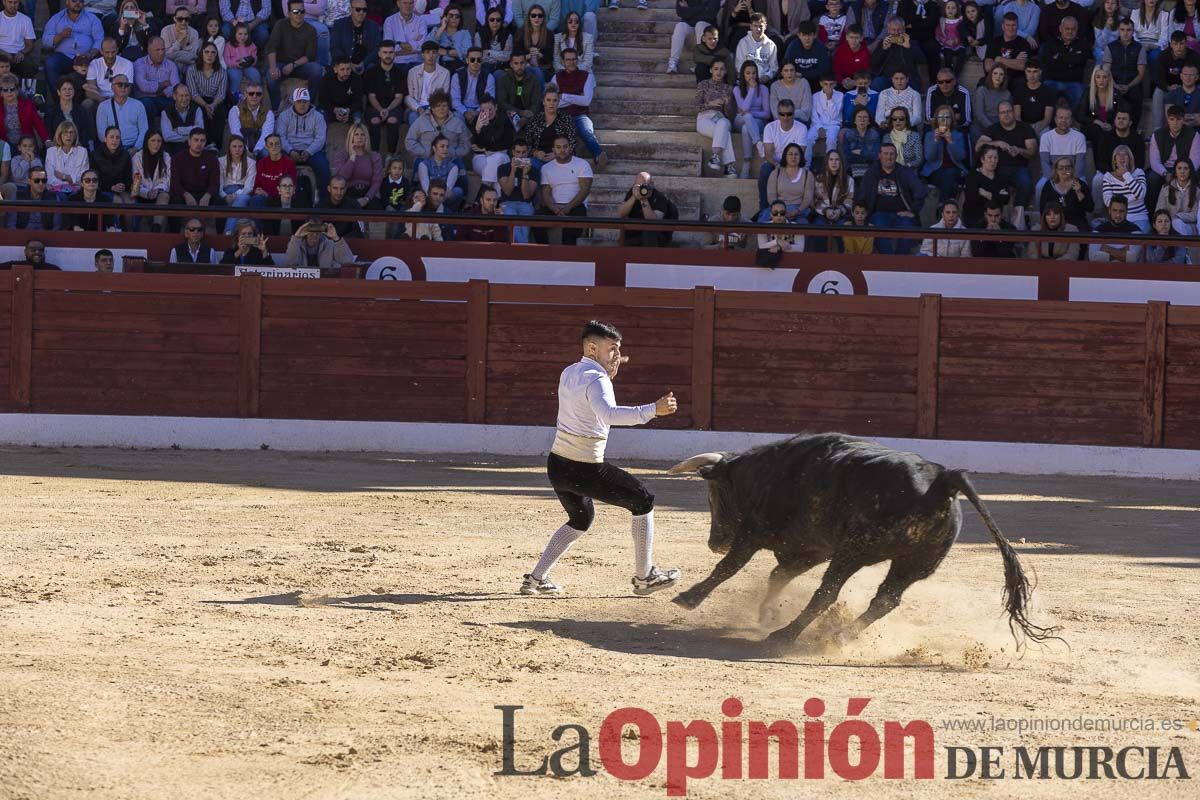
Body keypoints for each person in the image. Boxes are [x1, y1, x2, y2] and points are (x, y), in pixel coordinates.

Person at [520, 319, 680, 597]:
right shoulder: (597, 379)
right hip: (586, 468)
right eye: (612, 349)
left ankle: (535, 579)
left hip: (558, 465)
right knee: (642, 501)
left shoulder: (569, 372)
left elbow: (588, 406)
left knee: (581, 518)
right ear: (592, 348)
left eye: (619, 349)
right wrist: (653, 409)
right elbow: (609, 414)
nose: (617, 355)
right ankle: (645, 577)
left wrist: (606, 376)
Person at [852, 141, 928, 254]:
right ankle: (888, 261)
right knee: (878, 227)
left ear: (896, 156)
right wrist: (859, 214)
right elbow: (862, 194)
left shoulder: (904, 172)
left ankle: (898, 262)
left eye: (892, 154)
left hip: (902, 214)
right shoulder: (872, 172)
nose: (889, 157)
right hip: (879, 213)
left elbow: (920, 191)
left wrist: (913, 211)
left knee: (908, 228)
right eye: (886, 153)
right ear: (879, 156)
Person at [533, 133, 590, 244]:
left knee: (570, 232)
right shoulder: (546, 168)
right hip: (555, 206)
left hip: (576, 206)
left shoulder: (582, 164)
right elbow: (546, 193)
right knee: (535, 221)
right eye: (558, 147)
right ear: (553, 149)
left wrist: (568, 207)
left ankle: (568, 257)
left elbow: (585, 190)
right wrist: (554, 208)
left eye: (565, 146)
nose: (562, 150)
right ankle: (545, 253)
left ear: (570, 147)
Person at [266, 0, 323, 109]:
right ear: (289, 13)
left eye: (302, 11)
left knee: (317, 70)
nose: (299, 14)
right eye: (295, 11)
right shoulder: (280, 24)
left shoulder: (310, 30)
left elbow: (310, 56)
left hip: (299, 66)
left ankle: (308, 105)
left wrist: (293, 65)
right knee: (270, 77)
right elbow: (271, 47)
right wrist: (273, 67)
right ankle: (276, 109)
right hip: (280, 63)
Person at [554, 47, 604, 168]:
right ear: (563, 61)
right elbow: (554, 103)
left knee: (587, 131)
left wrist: (564, 96)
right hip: (562, 115)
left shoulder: (587, 76)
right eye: (568, 60)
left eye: (573, 59)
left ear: (578, 60)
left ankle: (600, 156)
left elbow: (586, 101)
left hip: (580, 114)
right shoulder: (556, 78)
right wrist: (577, 95)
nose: (571, 62)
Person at [276, 86, 329, 201]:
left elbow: (320, 138)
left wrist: (309, 152)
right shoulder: (284, 116)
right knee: (279, 164)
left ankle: (322, 200)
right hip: (289, 150)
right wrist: (290, 151)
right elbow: (280, 137)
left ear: (309, 102)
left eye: (305, 101)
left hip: (311, 151)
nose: (302, 104)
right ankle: (280, 197)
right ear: (293, 102)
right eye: (299, 101)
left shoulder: (318, 117)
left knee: (323, 166)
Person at [42, 0, 106, 92]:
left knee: (96, 64)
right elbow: (45, 41)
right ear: (67, 2)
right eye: (74, 1)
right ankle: (58, 99)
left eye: (81, 1)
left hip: (86, 57)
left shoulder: (92, 18)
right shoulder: (57, 18)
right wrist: (61, 36)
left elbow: (100, 39)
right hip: (64, 57)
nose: (78, 3)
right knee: (50, 63)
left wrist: (90, 54)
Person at [757, 98, 808, 209]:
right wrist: (778, 165)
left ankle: (800, 209)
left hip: (794, 163)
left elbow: (800, 153)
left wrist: (787, 167)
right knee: (765, 169)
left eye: (789, 114)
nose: (785, 117)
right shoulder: (770, 127)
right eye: (782, 114)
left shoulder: (802, 128)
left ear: (794, 114)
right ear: (777, 114)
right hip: (775, 163)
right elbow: (768, 153)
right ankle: (764, 208)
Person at [169, 127, 221, 225]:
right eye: (196, 140)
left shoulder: (212, 159)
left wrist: (208, 195)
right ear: (189, 141)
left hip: (204, 193)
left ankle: (222, 235)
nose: (199, 143)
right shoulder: (177, 158)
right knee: (174, 202)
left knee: (220, 202)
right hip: (184, 193)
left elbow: (215, 183)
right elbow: (174, 183)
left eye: (202, 141)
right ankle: (173, 234)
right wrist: (186, 194)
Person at [695, 58, 737, 177]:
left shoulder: (728, 88)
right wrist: (710, 104)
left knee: (723, 123)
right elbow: (696, 107)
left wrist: (728, 103)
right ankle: (729, 167)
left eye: (722, 69)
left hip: (721, 118)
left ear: (725, 72)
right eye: (716, 69)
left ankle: (715, 156)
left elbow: (729, 114)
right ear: (711, 70)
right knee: (725, 134)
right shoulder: (703, 85)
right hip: (704, 118)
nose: (719, 72)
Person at [922, 104, 969, 205]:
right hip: (935, 169)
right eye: (941, 117)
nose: (944, 120)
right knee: (946, 177)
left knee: (950, 175)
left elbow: (961, 156)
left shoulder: (958, 135)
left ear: (952, 119)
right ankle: (948, 206)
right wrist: (935, 140)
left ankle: (943, 206)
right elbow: (929, 157)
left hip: (955, 168)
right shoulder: (929, 135)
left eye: (947, 117)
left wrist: (951, 141)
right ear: (936, 120)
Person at [616, 172, 679, 247]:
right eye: (638, 185)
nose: (641, 189)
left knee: (649, 231)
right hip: (634, 234)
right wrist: (634, 197)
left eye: (644, 185)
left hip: (655, 237)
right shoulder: (632, 193)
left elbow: (652, 221)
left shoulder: (659, 198)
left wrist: (643, 199)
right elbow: (621, 214)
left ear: (652, 184)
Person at [364, 40, 404, 153]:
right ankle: (375, 154)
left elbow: (399, 97)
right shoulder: (371, 72)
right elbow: (371, 96)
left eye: (391, 52)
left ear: (394, 54)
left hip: (394, 106)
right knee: (375, 120)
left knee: (392, 120)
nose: (388, 55)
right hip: (374, 106)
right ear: (379, 54)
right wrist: (381, 109)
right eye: (385, 52)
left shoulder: (400, 72)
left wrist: (388, 109)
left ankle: (391, 155)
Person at [1040, 15, 1088, 109]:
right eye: (1067, 28)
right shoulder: (1050, 43)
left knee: (1080, 95)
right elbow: (1048, 64)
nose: (1070, 31)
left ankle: (1074, 121)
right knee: (1044, 93)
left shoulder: (1083, 44)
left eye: (1073, 29)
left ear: (1077, 29)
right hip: (1052, 80)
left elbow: (1080, 60)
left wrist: (1058, 57)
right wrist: (1070, 62)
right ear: (1060, 28)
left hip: (1073, 82)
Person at [732, 60, 769, 179]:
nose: (751, 76)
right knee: (746, 117)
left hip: (757, 121)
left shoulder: (763, 89)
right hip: (740, 119)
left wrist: (751, 113)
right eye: (748, 73)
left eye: (754, 73)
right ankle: (758, 142)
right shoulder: (737, 89)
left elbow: (767, 113)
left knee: (746, 129)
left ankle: (746, 164)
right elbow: (744, 108)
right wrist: (752, 90)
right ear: (743, 74)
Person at [497, 138, 538, 242]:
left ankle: (521, 249)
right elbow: (507, 191)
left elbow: (527, 195)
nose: (521, 155)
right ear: (513, 152)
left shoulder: (534, 171)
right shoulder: (503, 168)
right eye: (518, 152)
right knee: (513, 222)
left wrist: (525, 174)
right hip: (507, 203)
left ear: (527, 152)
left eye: (524, 152)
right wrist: (513, 171)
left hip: (526, 203)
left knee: (523, 225)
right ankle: (524, 248)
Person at [1101, 143, 1150, 231]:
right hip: (1117, 218)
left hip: (1139, 217)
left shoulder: (1139, 173)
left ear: (1130, 159)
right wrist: (1132, 198)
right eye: (1118, 154)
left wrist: (1126, 174)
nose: (1121, 157)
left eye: (1125, 155)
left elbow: (1140, 194)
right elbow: (1108, 201)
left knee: (1140, 238)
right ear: (1114, 159)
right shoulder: (1108, 177)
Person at [1039, 155, 1094, 231]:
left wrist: (1079, 193)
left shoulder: (1081, 184)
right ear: (1056, 170)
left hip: (1076, 222)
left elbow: (1090, 208)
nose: (1064, 171)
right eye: (1061, 168)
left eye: (1067, 168)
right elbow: (1043, 209)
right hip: (1055, 223)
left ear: (1072, 170)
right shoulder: (1048, 186)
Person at [94, 74, 148, 151]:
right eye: (120, 84)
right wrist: (114, 147)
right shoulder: (103, 107)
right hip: (112, 149)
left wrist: (135, 148)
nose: (123, 87)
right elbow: (101, 134)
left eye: (126, 85)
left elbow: (144, 131)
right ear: (112, 87)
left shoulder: (138, 105)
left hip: (134, 148)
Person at [761, 142, 813, 222]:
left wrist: (797, 211)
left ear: (801, 157)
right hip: (778, 209)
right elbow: (771, 196)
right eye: (790, 154)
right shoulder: (776, 173)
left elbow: (807, 199)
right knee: (762, 222)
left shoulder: (807, 175)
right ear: (785, 156)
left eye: (796, 154)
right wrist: (780, 211)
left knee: (803, 224)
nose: (793, 157)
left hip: (799, 211)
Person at [470, 95, 514, 186]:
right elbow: (475, 147)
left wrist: (487, 149)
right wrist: (478, 130)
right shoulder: (476, 121)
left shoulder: (505, 120)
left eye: (490, 109)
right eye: (483, 110)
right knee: (496, 171)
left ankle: (484, 190)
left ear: (496, 107)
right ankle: (496, 197)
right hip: (481, 157)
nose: (487, 113)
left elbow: (507, 143)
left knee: (497, 158)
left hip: (502, 155)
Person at [216, 132, 255, 231]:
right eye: (234, 146)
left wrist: (236, 195)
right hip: (225, 190)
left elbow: (249, 187)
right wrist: (224, 195)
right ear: (229, 148)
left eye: (240, 146)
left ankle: (228, 232)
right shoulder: (220, 161)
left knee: (242, 199)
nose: (237, 149)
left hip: (242, 191)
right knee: (219, 201)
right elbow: (219, 183)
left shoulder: (251, 163)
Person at [667, 0, 719, 75]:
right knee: (680, 26)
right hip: (690, 33)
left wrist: (689, 9)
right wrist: (702, 8)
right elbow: (680, 12)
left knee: (700, 24)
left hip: (706, 34)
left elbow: (710, 14)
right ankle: (673, 63)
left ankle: (700, 64)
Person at [964, 145, 1011, 226]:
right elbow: (972, 197)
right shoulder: (972, 176)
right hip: (975, 217)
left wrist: (985, 193)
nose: (993, 160)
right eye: (989, 157)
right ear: (982, 159)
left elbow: (1005, 199)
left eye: (995, 158)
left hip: (995, 219)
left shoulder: (1001, 177)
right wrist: (997, 195)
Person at [406, 40, 451, 121]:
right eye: (427, 52)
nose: (431, 56)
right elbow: (409, 97)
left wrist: (431, 109)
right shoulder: (413, 72)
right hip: (417, 107)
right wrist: (418, 108)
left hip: (436, 107)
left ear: (437, 54)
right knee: (413, 117)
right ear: (422, 55)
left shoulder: (445, 73)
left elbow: (444, 96)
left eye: (434, 52)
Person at [330, 1, 381, 75]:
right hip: (344, 63)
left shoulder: (373, 26)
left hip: (366, 64)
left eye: (364, 10)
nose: (361, 12)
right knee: (340, 68)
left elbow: (377, 48)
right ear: (351, 10)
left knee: (373, 68)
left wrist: (364, 63)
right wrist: (349, 64)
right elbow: (334, 48)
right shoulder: (339, 25)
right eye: (358, 9)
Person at [496, 50, 542, 129]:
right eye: (516, 63)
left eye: (522, 63)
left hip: (529, 115)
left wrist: (527, 117)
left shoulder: (533, 80)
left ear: (526, 63)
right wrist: (520, 112)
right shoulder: (503, 80)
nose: (519, 66)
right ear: (511, 64)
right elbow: (501, 102)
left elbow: (537, 102)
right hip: (509, 115)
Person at [284, 217, 355, 267]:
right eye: (312, 230)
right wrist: (296, 237)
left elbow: (347, 262)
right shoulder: (297, 244)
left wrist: (336, 238)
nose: (315, 235)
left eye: (318, 231)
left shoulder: (328, 244)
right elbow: (289, 264)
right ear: (305, 230)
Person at [452, 46, 496, 125]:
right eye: (472, 60)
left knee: (486, 117)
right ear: (467, 60)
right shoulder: (457, 76)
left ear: (482, 61)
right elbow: (454, 99)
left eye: (479, 60)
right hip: (462, 109)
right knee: (456, 119)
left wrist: (477, 112)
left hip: (480, 109)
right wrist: (465, 112)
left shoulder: (489, 77)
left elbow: (490, 100)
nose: (476, 62)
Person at [1090, 196, 1143, 261]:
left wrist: (1106, 248)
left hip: (1128, 270)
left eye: (1121, 211)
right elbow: (1093, 257)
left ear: (1126, 212)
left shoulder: (1135, 231)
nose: (1118, 215)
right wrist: (1123, 253)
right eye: (1115, 210)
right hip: (1104, 270)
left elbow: (1132, 258)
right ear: (1109, 211)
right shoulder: (1098, 230)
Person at [85, 37, 135, 105]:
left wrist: (113, 100)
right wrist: (102, 100)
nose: (110, 55)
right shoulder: (94, 64)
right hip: (99, 99)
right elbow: (90, 89)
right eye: (107, 52)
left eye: (113, 52)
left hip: (120, 98)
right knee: (88, 103)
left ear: (117, 50)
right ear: (101, 51)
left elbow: (127, 89)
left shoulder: (127, 64)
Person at [45, 121, 90, 196]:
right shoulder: (51, 152)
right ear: (60, 135)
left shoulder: (83, 152)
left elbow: (83, 178)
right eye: (65, 132)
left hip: (76, 191)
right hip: (56, 191)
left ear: (75, 135)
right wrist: (68, 183)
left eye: (71, 132)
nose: (68, 135)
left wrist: (64, 176)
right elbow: (50, 178)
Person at [1011, 59, 1055, 134]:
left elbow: (1047, 119)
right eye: (1029, 71)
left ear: (1040, 72)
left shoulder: (1048, 91)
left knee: (1046, 136)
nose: (1032, 75)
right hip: (1023, 124)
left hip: (1041, 125)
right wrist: (1026, 130)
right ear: (1025, 72)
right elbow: (1017, 117)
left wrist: (1036, 129)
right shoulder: (1019, 90)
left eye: (1035, 71)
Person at [1156, 157, 1198, 237]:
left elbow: (1196, 215)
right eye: (1179, 168)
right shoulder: (1166, 188)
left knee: (1177, 223)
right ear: (1175, 171)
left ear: (1190, 171)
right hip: (1168, 226)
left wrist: (1178, 216)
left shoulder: (1196, 190)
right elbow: (1159, 211)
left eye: (1186, 168)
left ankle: (1184, 248)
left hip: (1190, 227)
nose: (1182, 171)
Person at [756, 200, 804, 266]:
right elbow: (761, 246)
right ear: (770, 214)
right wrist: (777, 241)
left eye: (782, 213)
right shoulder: (763, 227)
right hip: (770, 264)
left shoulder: (796, 226)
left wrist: (779, 248)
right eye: (775, 213)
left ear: (786, 213)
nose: (779, 215)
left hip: (792, 263)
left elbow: (800, 248)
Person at [160, 81, 205, 153]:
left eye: (186, 95)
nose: (184, 99)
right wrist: (189, 138)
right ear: (174, 97)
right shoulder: (165, 112)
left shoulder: (197, 109)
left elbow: (200, 130)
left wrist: (179, 130)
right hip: (173, 150)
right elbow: (167, 136)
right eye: (181, 96)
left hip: (193, 150)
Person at [838, 105, 879, 180]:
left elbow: (875, 156)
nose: (862, 120)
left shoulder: (875, 135)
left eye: (865, 117)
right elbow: (847, 156)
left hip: (871, 170)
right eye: (859, 117)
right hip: (851, 170)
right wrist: (867, 154)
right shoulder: (848, 134)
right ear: (854, 120)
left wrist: (861, 152)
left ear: (869, 121)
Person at [163, 7, 201, 72]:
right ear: (174, 18)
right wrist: (179, 40)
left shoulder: (194, 32)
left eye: (186, 19)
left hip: (188, 65)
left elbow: (193, 55)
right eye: (180, 19)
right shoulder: (166, 30)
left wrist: (182, 48)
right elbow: (166, 55)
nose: (183, 22)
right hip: (171, 64)